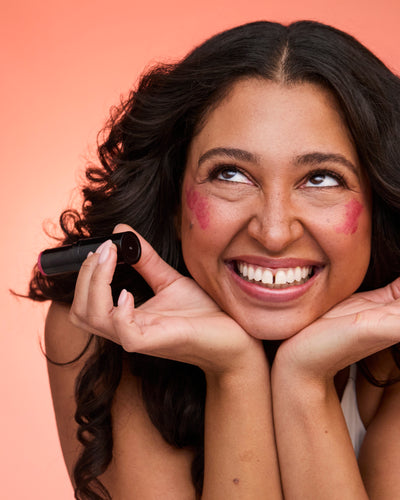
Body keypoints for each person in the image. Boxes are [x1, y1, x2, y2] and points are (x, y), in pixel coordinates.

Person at [28, 20, 400, 499]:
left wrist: (304, 382)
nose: (273, 232)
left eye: (321, 179)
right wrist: (235, 372)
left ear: (379, 203)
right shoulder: (107, 325)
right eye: (231, 174)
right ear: (174, 196)